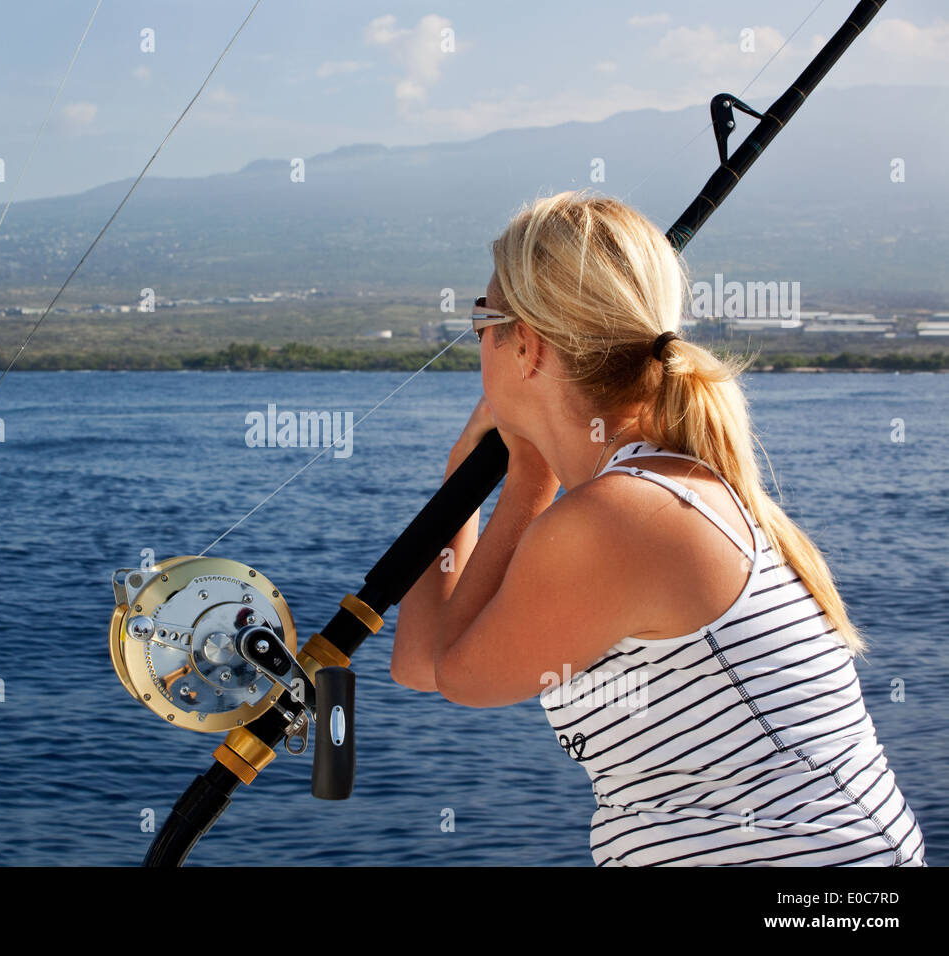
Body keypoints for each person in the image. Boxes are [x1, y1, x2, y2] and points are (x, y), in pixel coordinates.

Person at [392, 190, 925, 866]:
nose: (476, 340)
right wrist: (491, 472)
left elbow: (452, 671)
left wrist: (517, 473)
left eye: (481, 318)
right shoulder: (659, 486)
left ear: (525, 345)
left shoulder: (622, 516)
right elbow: (422, 665)